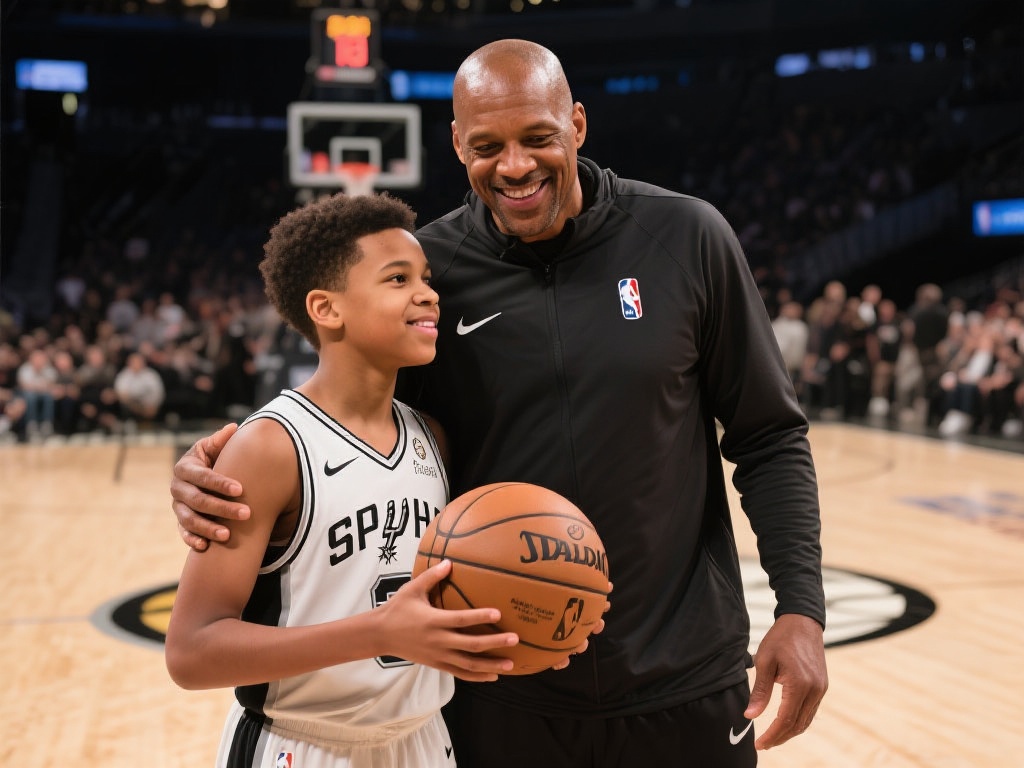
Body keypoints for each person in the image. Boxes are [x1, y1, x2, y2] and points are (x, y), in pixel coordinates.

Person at [170, 39, 827, 767]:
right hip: (499, 690)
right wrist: (219, 469)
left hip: (685, 679)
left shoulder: (686, 236)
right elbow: (340, 421)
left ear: (577, 124)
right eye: (487, 146)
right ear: (457, 144)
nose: (514, 166)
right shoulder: (432, 277)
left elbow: (769, 436)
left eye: (538, 137)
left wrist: (801, 607)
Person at [164, 192, 544, 768]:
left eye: (426, 278)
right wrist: (379, 633)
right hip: (302, 743)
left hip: (423, 740)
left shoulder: (431, 437)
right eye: (398, 279)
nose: (428, 294)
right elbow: (191, 652)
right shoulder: (272, 446)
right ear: (326, 308)